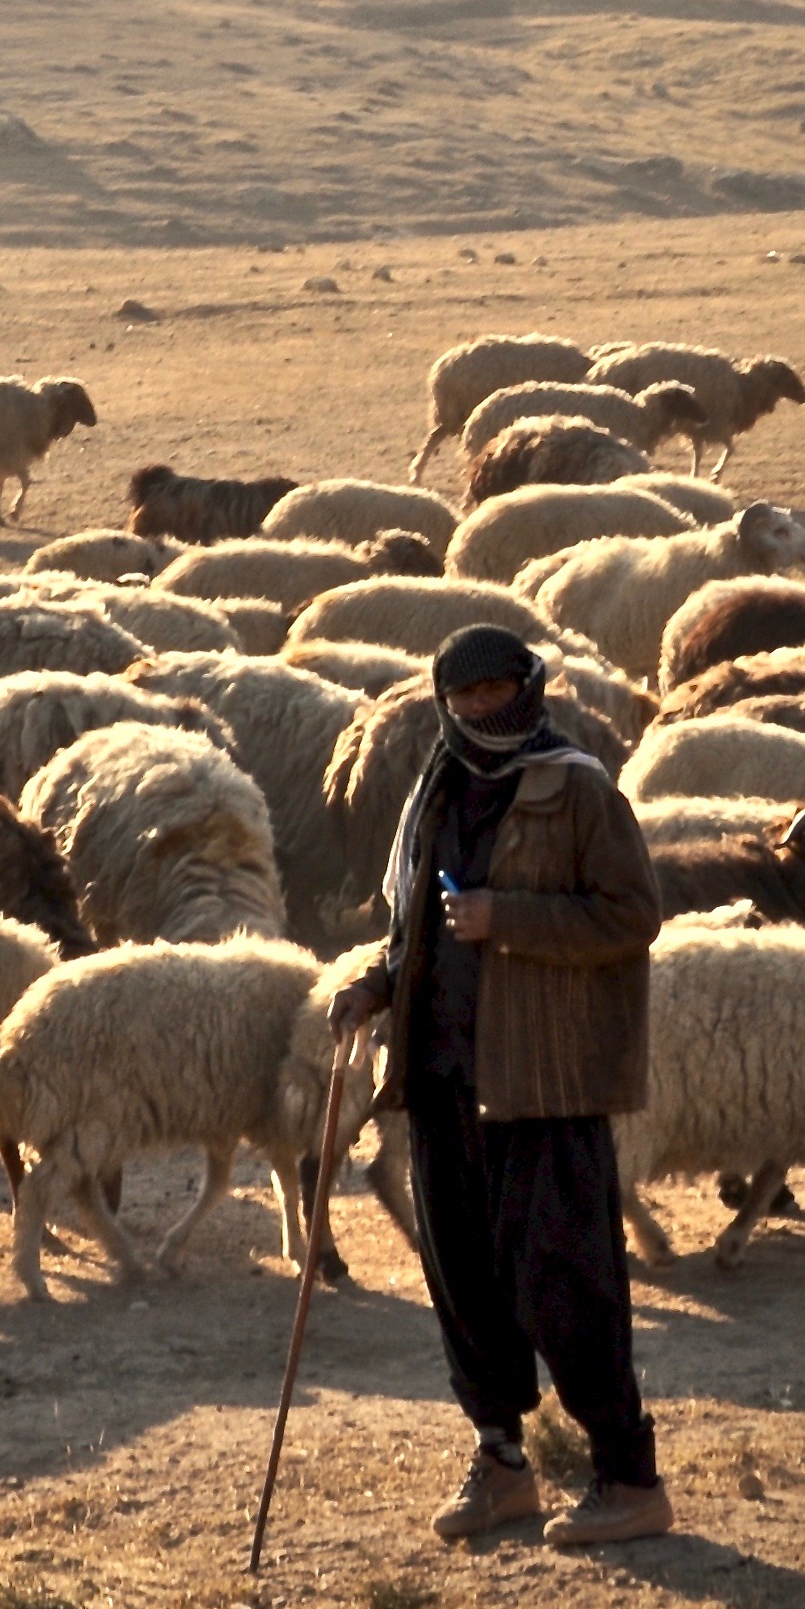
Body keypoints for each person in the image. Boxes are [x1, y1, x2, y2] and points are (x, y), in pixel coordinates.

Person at [330, 623, 670, 1547]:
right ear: (444, 703)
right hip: (443, 1077)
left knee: (567, 1282)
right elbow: (414, 924)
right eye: (465, 696)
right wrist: (376, 984)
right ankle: (502, 1464)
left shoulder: (578, 786)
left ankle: (629, 1477)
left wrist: (507, 916)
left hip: (543, 1079)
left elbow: (632, 915)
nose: (483, 709)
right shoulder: (434, 788)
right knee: (465, 1283)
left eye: (496, 691)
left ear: (528, 686)